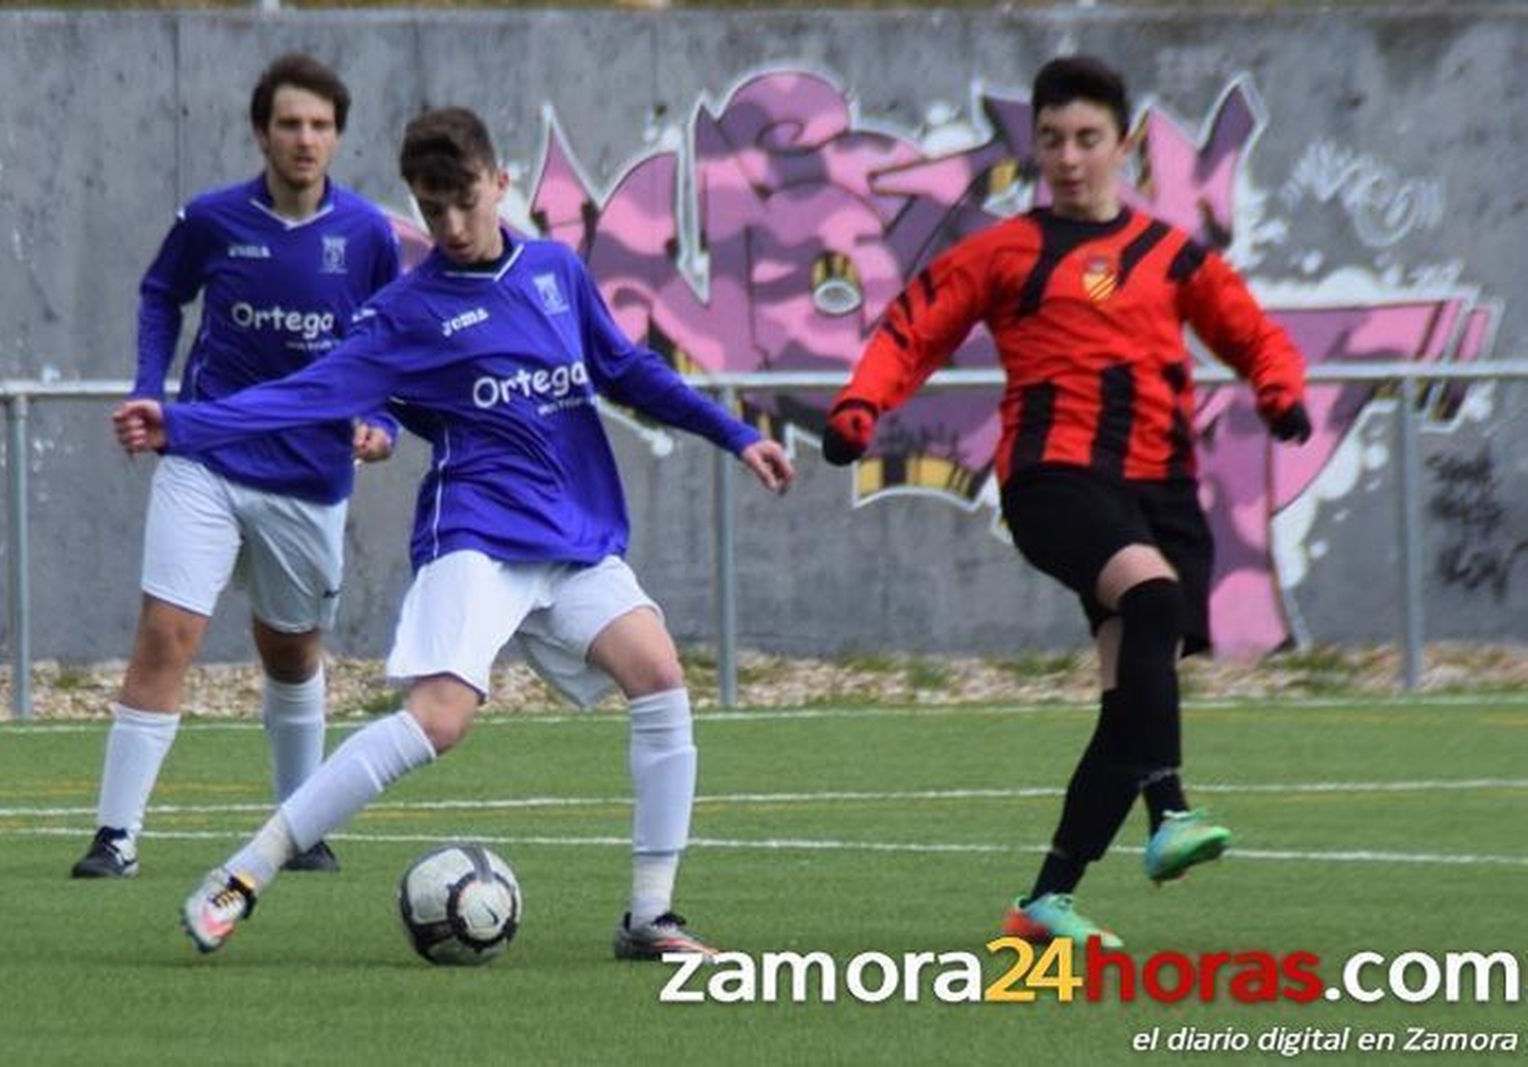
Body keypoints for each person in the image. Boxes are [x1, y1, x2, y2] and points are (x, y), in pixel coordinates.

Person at [113, 106, 795, 959]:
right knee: (439, 718)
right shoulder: (408, 311)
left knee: (660, 676)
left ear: (500, 183)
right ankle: (245, 873)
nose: (451, 224)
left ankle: (649, 916)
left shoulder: (554, 271)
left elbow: (628, 370)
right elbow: (310, 393)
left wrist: (737, 435)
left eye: (465, 201)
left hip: (573, 536)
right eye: (432, 208)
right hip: (475, 532)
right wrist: (185, 425)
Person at [821, 55, 1311, 946]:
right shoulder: (1004, 252)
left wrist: (1278, 388)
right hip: (1054, 481)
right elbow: (913, 326)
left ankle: (1045, 899)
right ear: (1036, 148)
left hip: (1160, 494)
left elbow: (1251, 329)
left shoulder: (1170, 255)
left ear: (1125, 145)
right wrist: (862, 404)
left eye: (1088, 139)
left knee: (1131, 691)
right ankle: (1170, 811)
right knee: (1154, 600)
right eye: (1052, 140)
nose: (1070, 157)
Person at [71, 54, 403, 880]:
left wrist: (382, 417)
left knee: (291, 654)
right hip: (206, 459)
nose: (305, 139)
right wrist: (152, 392)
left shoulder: (367, 235)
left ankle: (299, 826)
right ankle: (115, 835)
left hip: (310, 475)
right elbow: (159, 294)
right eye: (290, 123)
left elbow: (393, 342)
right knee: (166, 635)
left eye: (321, 125)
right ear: (262, 132)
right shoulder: (213, 219)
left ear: (337, 137)